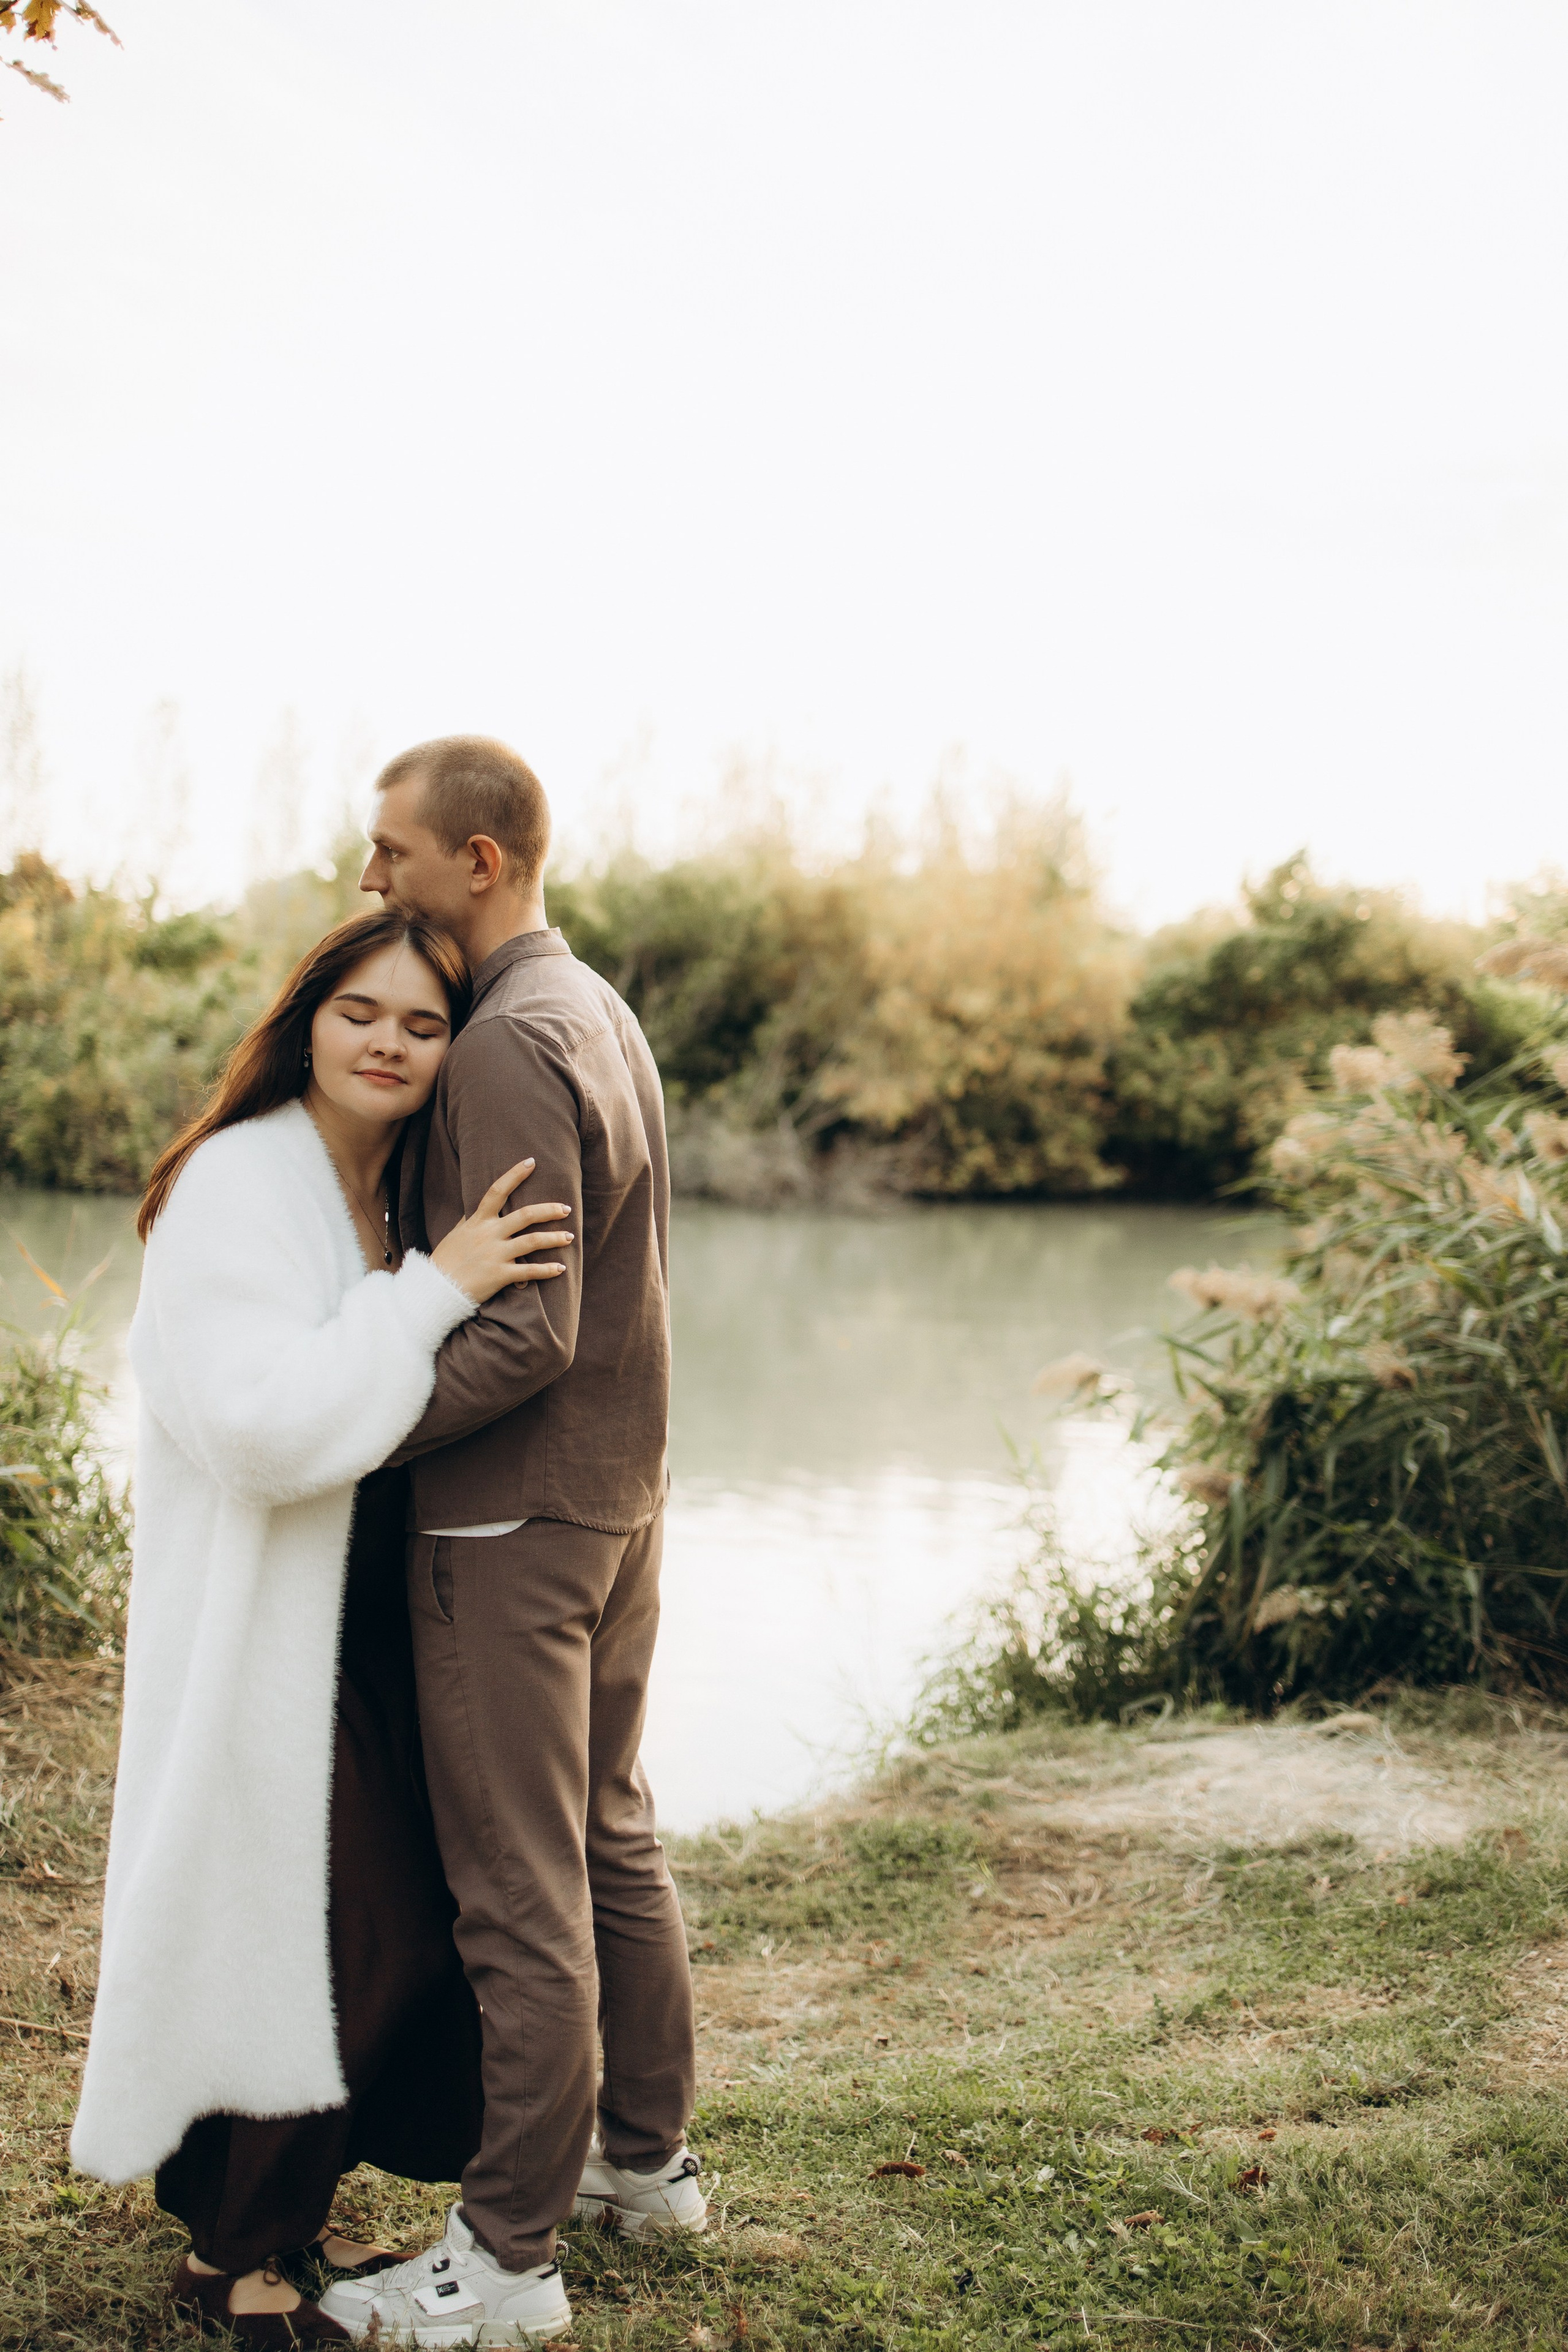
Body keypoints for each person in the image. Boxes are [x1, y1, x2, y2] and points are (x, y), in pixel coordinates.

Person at [70, 908, 576, 2349]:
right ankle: (234, 2260)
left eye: (424, 1025)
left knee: (339, 1923)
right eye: (363, 1012)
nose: (391, 1045)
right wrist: (436, 1294)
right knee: (361, 1937)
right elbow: (257, 1428)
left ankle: (268, 2206)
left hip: (357, 1611)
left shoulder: (388, 1185)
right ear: (308, 1018)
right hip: (261, 1624)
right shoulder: (239, 1181)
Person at [315, 738, 700, 2350]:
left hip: (508, 1520)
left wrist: (346, 1433)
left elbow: (525, 1335)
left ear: (479, 860)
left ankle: (509, 2255)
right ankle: (646, 2166)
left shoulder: (497, 1049)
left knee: (520, 1888)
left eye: (392, 850)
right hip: (615, 1503)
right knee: (610, 1829)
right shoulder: (593, 1006)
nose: (371, 878)